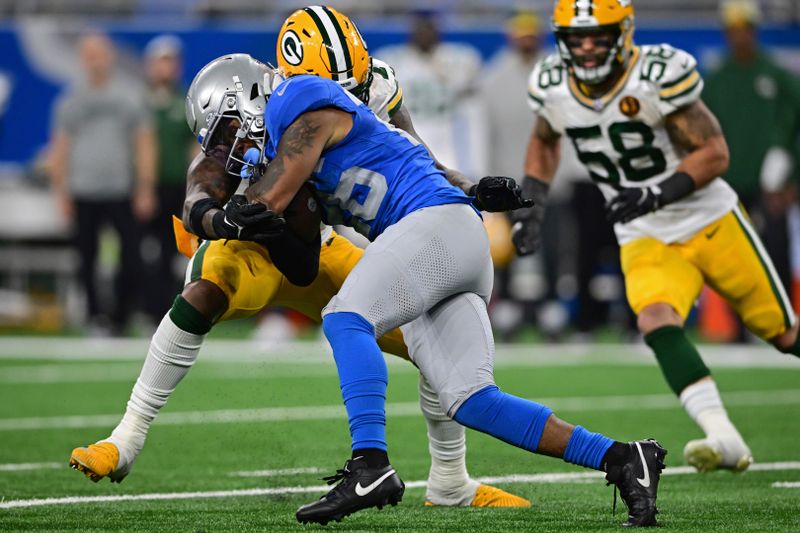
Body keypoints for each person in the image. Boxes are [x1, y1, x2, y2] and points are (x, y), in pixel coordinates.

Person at [68, 49, 531, 510]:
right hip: (249, 247)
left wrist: (468, 188)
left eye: (230, 126)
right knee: (201, 294)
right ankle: (125, 438)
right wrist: (221, 222)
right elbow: (198, 194)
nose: (228, 142)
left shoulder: (341, 102)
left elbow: (417, 160)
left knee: (430, 337)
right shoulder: (242, 138)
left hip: (320, 246)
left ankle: (450, 481)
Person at [238, 41, 666, 527]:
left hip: (431, 226)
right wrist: (476, 187)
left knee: (343, 318)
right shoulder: (342, 129)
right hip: (451, 237)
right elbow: (422, 170)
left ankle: (370, 465)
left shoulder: (301, 96)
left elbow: (268, 197)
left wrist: (227, 211)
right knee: (470, 400)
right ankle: (623, 458)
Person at [515, 0, 800, 475]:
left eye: (598, 36)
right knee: (654, 319)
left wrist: (657, 190)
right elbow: (545, 138)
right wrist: (534, 205)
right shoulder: (552, 84)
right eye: (576, 38)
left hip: (706, 218)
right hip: (644, 230)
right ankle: (722, 435)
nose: (586, 48)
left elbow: (714, 152)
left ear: (623, 33)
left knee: (785, 333)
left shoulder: (657, 73)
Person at [48, 32, 157, 335]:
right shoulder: (71, 99)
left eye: (99, 53)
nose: (95, 60)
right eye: (89, 54)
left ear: (109, 57)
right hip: (82, 190)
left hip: (121, 189)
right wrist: (61, 190)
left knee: (133, 257)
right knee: (86, 259)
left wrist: (145, 187)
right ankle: (97, 318)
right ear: (82, 59)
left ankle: (122, 317)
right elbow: (61, 146)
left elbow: (144, 142)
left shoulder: (129, 95)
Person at [704, 0, 800, 315]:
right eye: (733, 30)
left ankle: (782, 316)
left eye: (744, 29)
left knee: (776, 247)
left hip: (770, 181)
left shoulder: (775, 74)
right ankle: (739, 324)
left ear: (754, 31)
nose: (739, 36)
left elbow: (793, 127)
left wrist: (792, 178)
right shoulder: (719, 79)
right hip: (729, 180)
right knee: (734, 256)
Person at [377, 11, 487, 177]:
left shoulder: (460, 59)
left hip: (448, 135)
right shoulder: (391, 59)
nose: (424, 34)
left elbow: (473, 100)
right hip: (411, 131)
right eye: (420, 30)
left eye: (429, 29)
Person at [142, 34, 197, 319]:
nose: (166, 68)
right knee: (144, 252)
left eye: (170, 62)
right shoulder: (140, 102)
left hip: (179, 188)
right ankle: (144, 311)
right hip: (147, 189)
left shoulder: (185, 100)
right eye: (161, 62)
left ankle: (170, 311)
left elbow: (194, 147)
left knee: (176, 251)